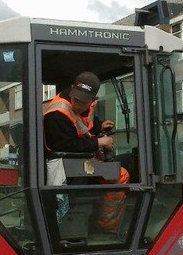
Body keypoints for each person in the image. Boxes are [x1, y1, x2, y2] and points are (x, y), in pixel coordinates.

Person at [44, 71, 130, 234]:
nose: (78, 104)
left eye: (84, 102)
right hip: (68, 165)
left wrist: (99, 127)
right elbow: (67, 144)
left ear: (93, 100)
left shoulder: (82, 106)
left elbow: (83, 125)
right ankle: (107, 226)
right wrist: (98, 142)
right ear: (72, 90)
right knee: (121, 175)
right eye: (76, 99)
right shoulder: (56, 114)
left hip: (77, 163)